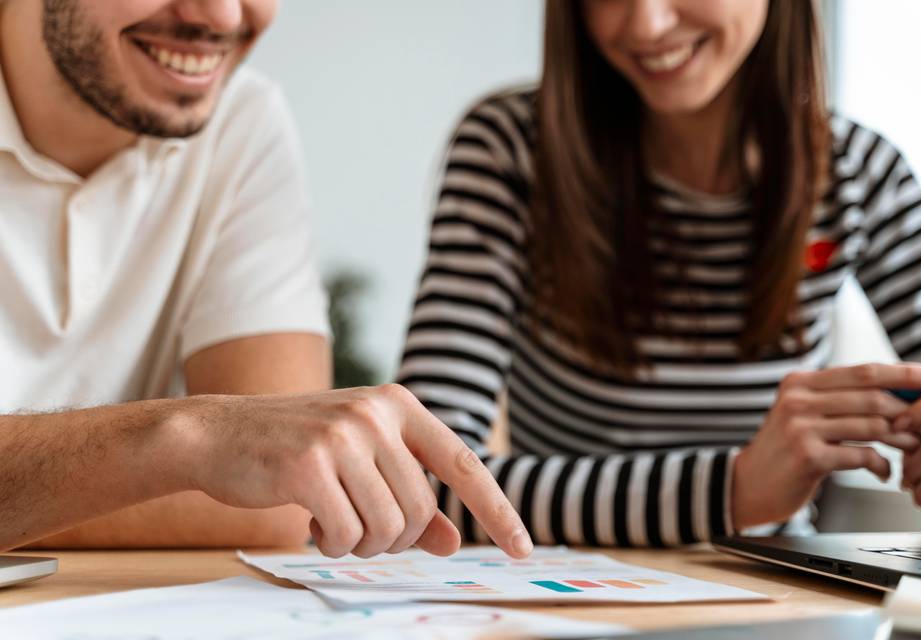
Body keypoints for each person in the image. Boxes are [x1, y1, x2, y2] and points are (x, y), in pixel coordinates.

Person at [397, 0, 921, 547]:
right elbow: (423, 477)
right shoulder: (510, 150)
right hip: (563, 595)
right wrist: (734, 489)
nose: (647, 23)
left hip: (779, 598)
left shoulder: (858, 171)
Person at [0, 0, 532, 560]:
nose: (225, 17)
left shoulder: (239, 119)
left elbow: (282, 495)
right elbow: (264, 472)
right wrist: (187, 438)